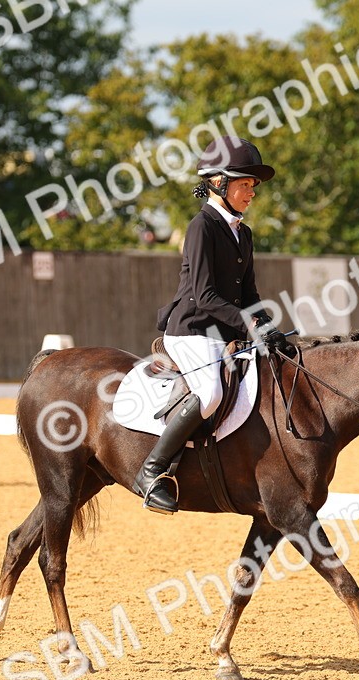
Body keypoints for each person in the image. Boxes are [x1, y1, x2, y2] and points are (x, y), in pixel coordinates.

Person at [132, 136, 293, 515]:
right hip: (192, 329)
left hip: (224, 330)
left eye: (253, 186)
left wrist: (267, 325)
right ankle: (151, 471)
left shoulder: (243, 233)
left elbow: (249, 292)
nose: (251, 192)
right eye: (245, 183)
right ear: (218, 182)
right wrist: (248, 325)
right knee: (210, 394)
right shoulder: (201, 227)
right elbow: (204, 296)